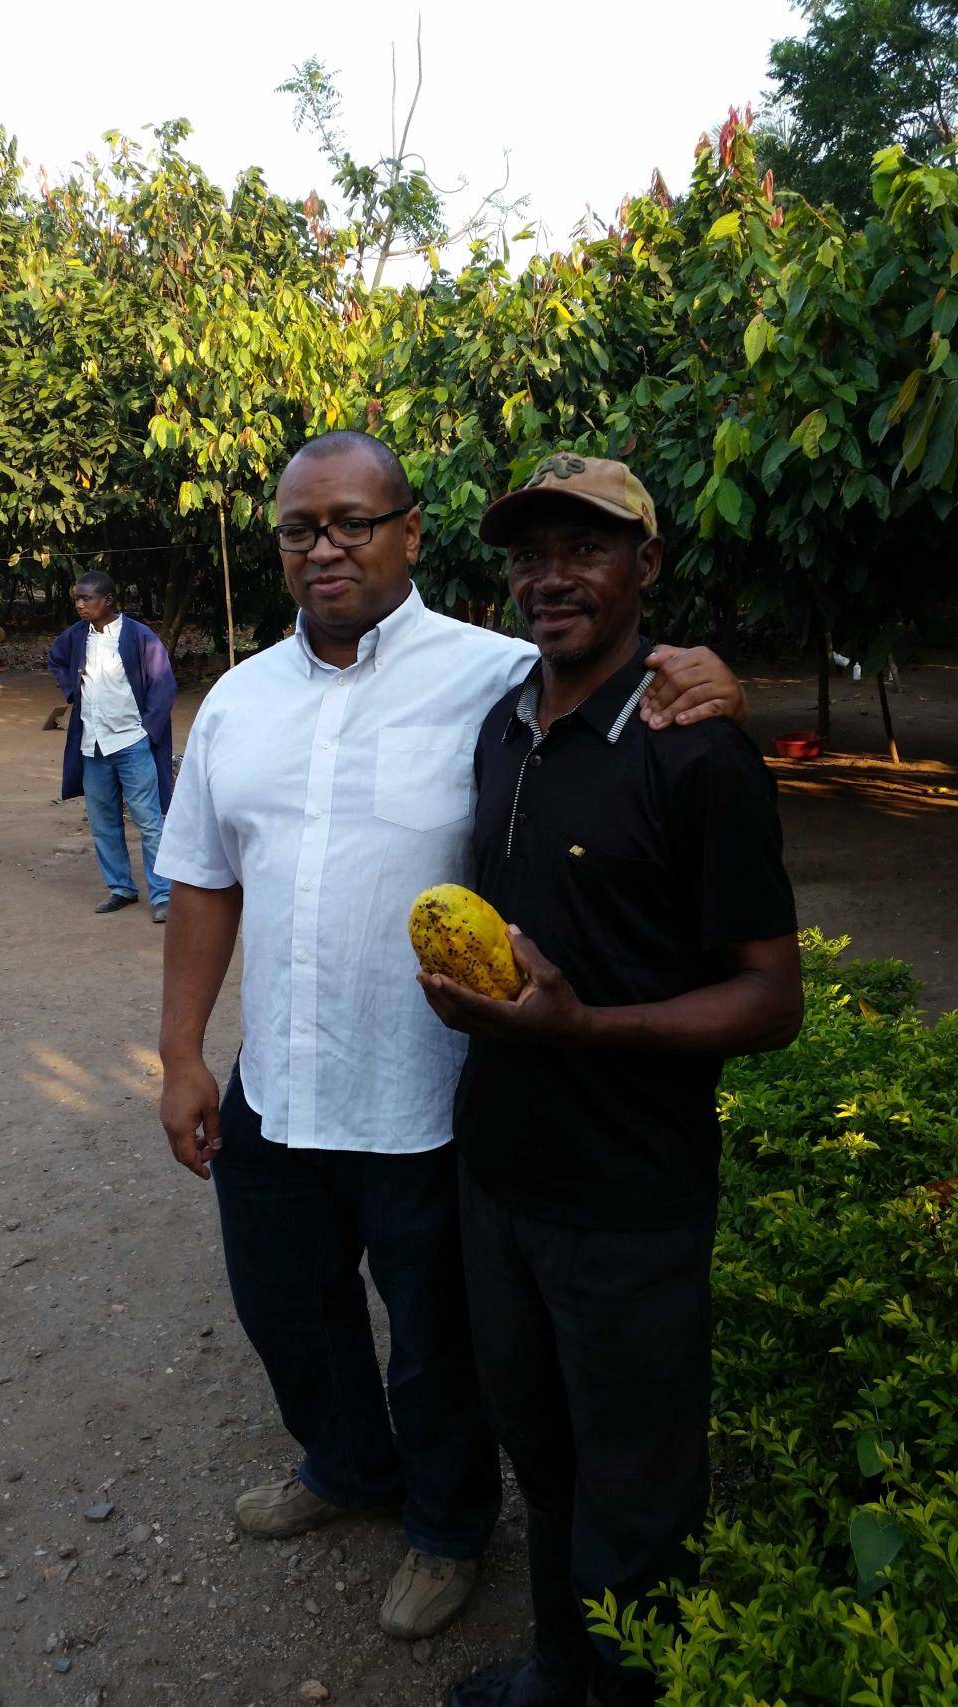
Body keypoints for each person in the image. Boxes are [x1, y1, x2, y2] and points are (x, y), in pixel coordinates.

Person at [155, 431, 747, 1643]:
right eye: (300, 528)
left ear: (408, 534)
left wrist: (707, 674)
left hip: (426, 1090)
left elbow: (626, 681)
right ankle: (342, 1467)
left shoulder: (494, 672)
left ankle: (446, 1523)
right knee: (288, 1308)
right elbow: (206, 880)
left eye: (353, 522)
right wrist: (180, 1054)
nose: (325, 547)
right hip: (279, 1081)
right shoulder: (239, 703)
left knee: (436, 1339)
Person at [418, 454, 803, 1706]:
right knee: (542, 1453)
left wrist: (586, 1029)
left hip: (633, 1200)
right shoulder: (503, 725)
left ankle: (631, 1691)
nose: (551, 575)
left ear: (646, 565)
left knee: (640, 1492)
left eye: (586, 548)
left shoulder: (700, 756)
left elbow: (771, 997)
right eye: (531, 551)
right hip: (504, 1178)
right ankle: (559, 1669)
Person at [47, 572, 176, 923]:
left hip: (131, 743)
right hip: (93, 746)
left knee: (148, 821)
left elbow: (164, 685)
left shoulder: (139, 636)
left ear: (108, 601)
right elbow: (55, 659)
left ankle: (163, 894)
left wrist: (147, 731)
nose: (80, 604)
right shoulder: (76, 637)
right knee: (103, 823)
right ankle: (121, 888)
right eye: (77, 598)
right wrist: (71, 690)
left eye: (87, 599)